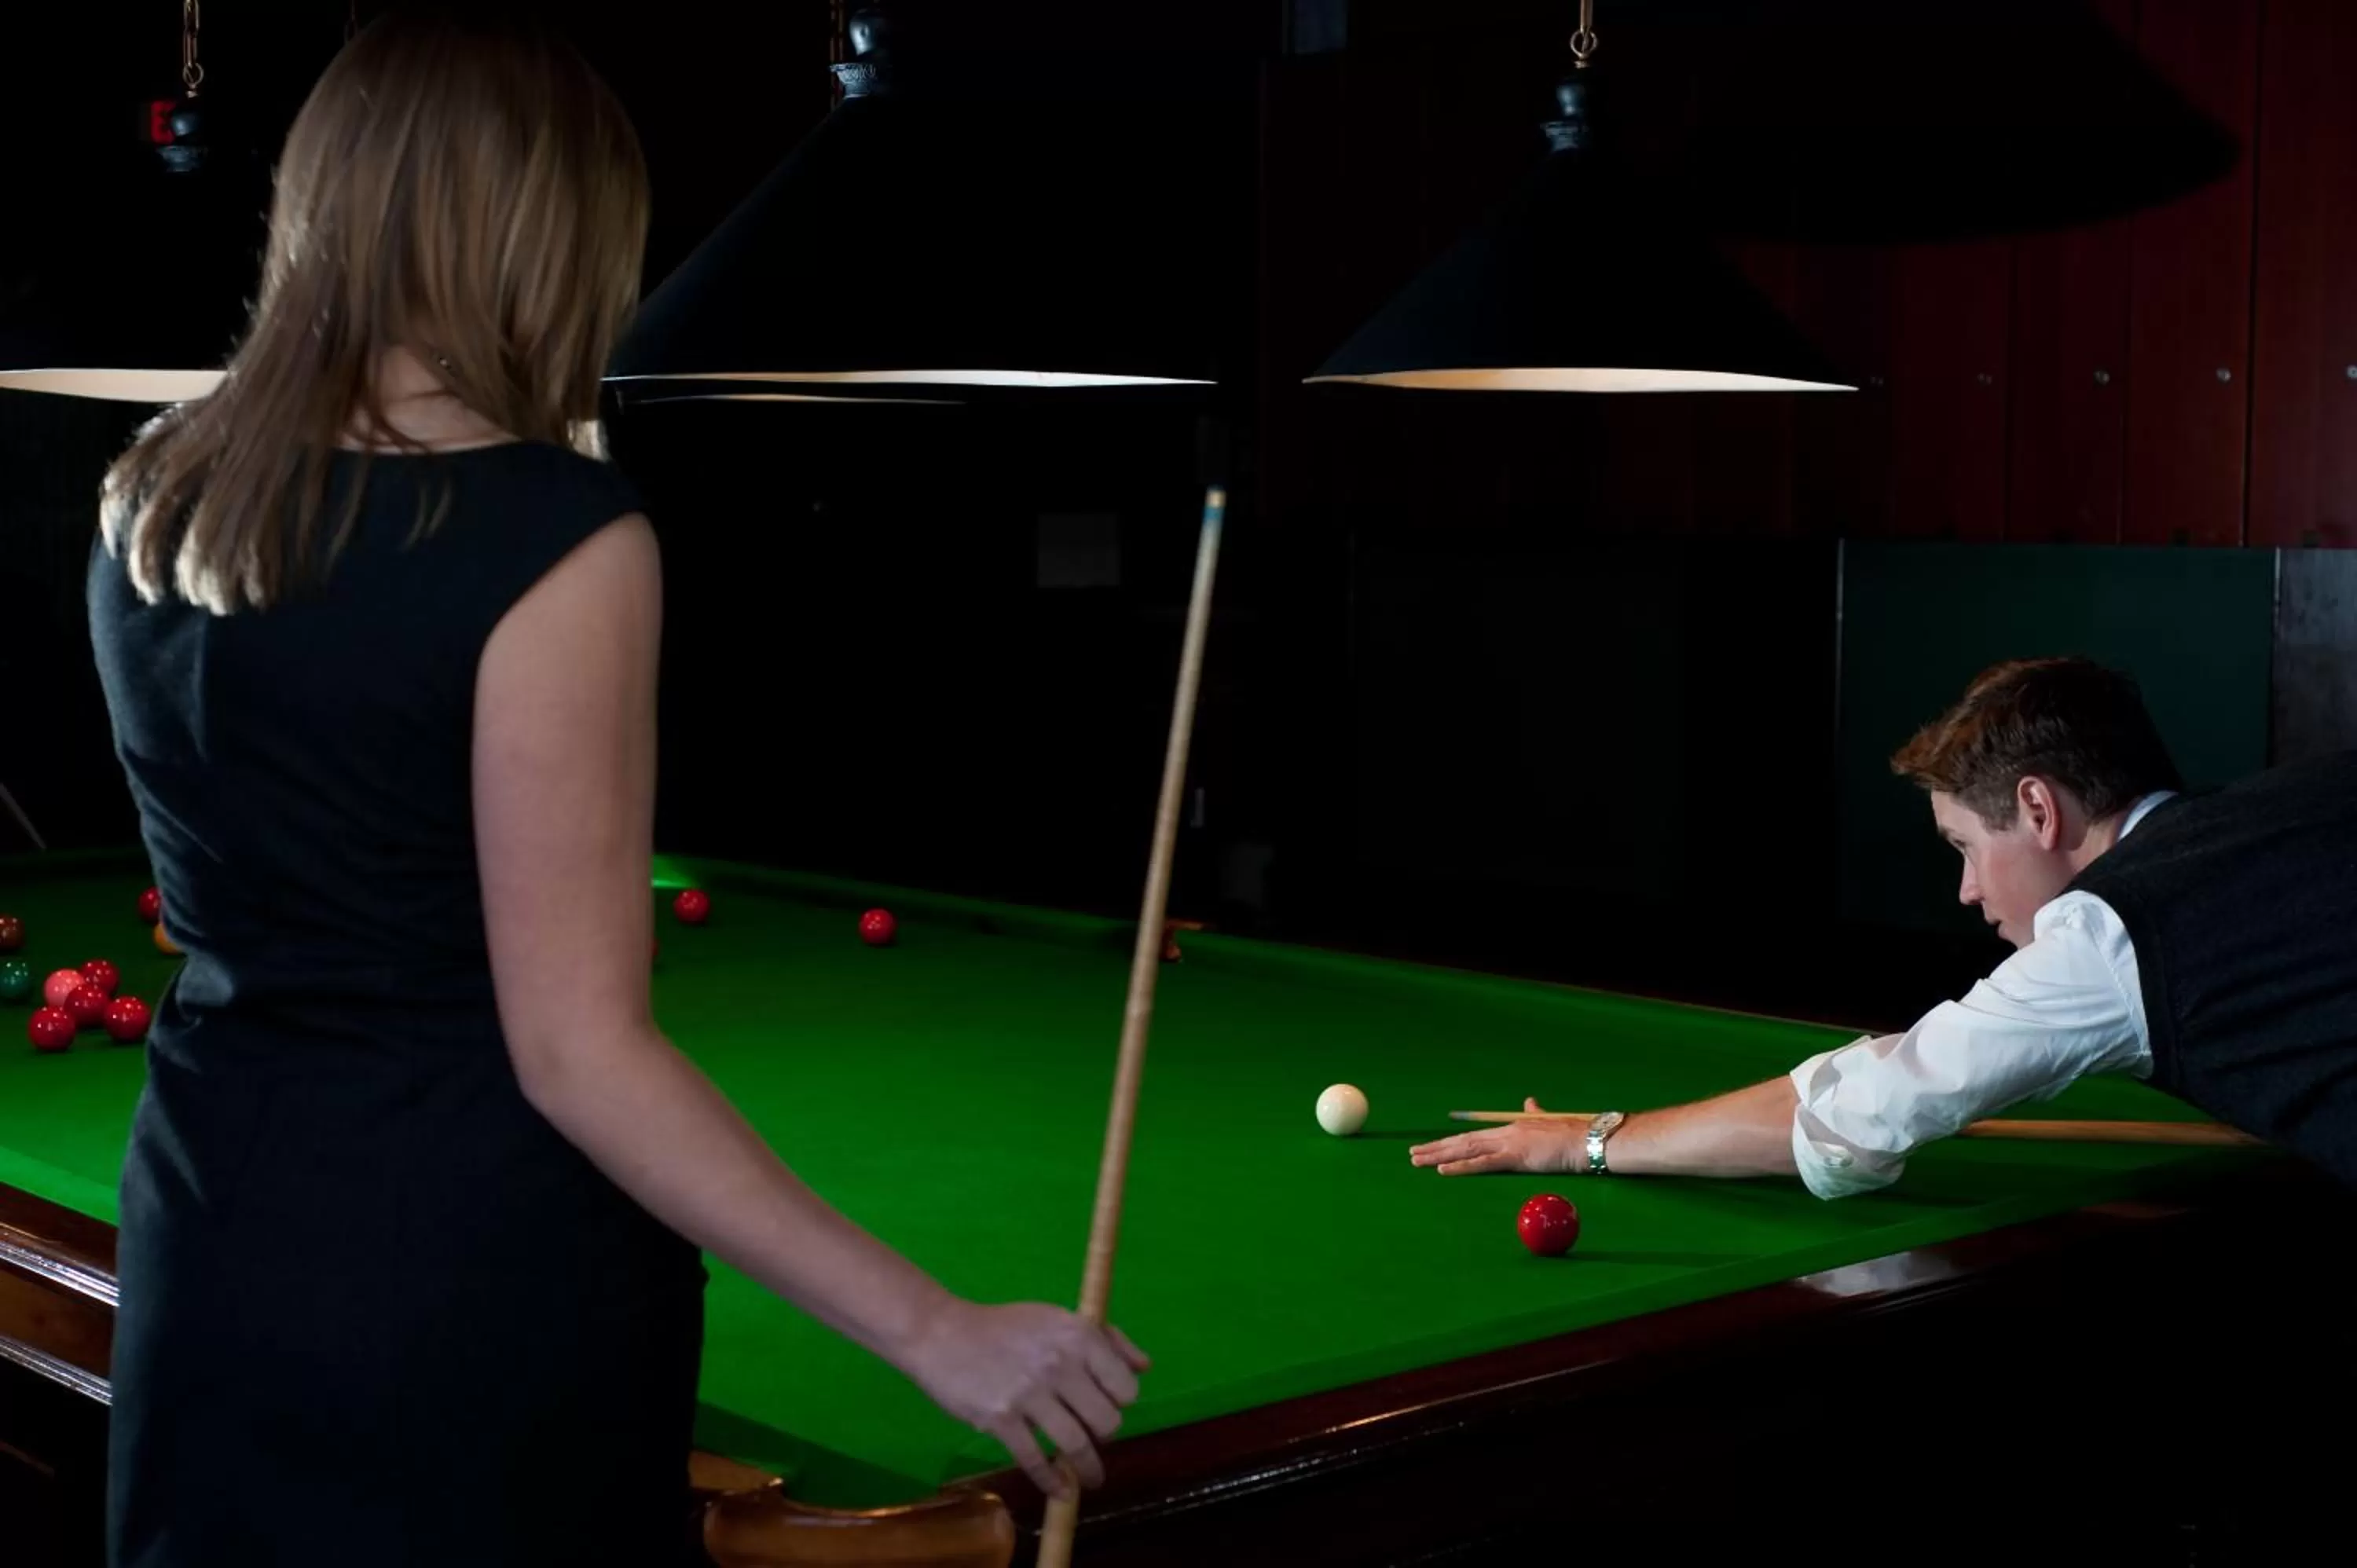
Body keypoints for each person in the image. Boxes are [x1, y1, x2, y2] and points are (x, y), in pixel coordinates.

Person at [86, 13, 1142, 1567]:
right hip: (474, 1287)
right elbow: (578, 1050)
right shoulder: (559, 535)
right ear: (544, 232)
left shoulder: (151, 491)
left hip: (215, 1228)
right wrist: (939, 1326)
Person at [1409, 656, 2357, 1196]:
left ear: (2039, 810)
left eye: (1963, 845)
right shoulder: (2296, 804)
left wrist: (1592, 1139)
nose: (1966, 891)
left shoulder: (2107, 939)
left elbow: (1856, 1111)